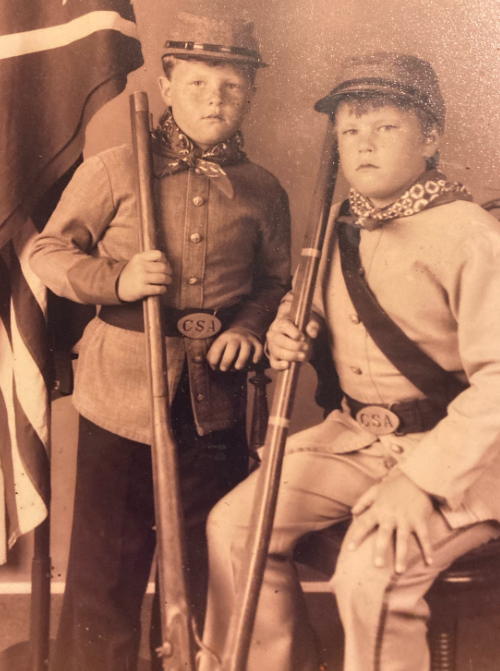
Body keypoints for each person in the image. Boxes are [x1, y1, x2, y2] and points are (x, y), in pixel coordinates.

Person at [199, 52, 500, 671]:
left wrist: (419, 484)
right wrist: (289, 327)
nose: (364, 145)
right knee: (234, 527)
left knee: (369, 573)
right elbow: (306, 301)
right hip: (359, 441)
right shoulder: (339, 224)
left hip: (464, 458)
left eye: (386, 128)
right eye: (350, 130)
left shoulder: (471, 235)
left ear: (432, 137)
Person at [29, 11, 290, 671]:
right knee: (106, 569)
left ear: (251, 94)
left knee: (207, 562)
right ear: (169, 83)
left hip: (216, 405)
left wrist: (249, 327)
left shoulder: (264, 191)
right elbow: (46, 254)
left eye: (232, 86)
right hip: (120, 397)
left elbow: (275, 281)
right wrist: (117, 279)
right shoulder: (118, 169)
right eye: (199, 83)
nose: (215, 99)